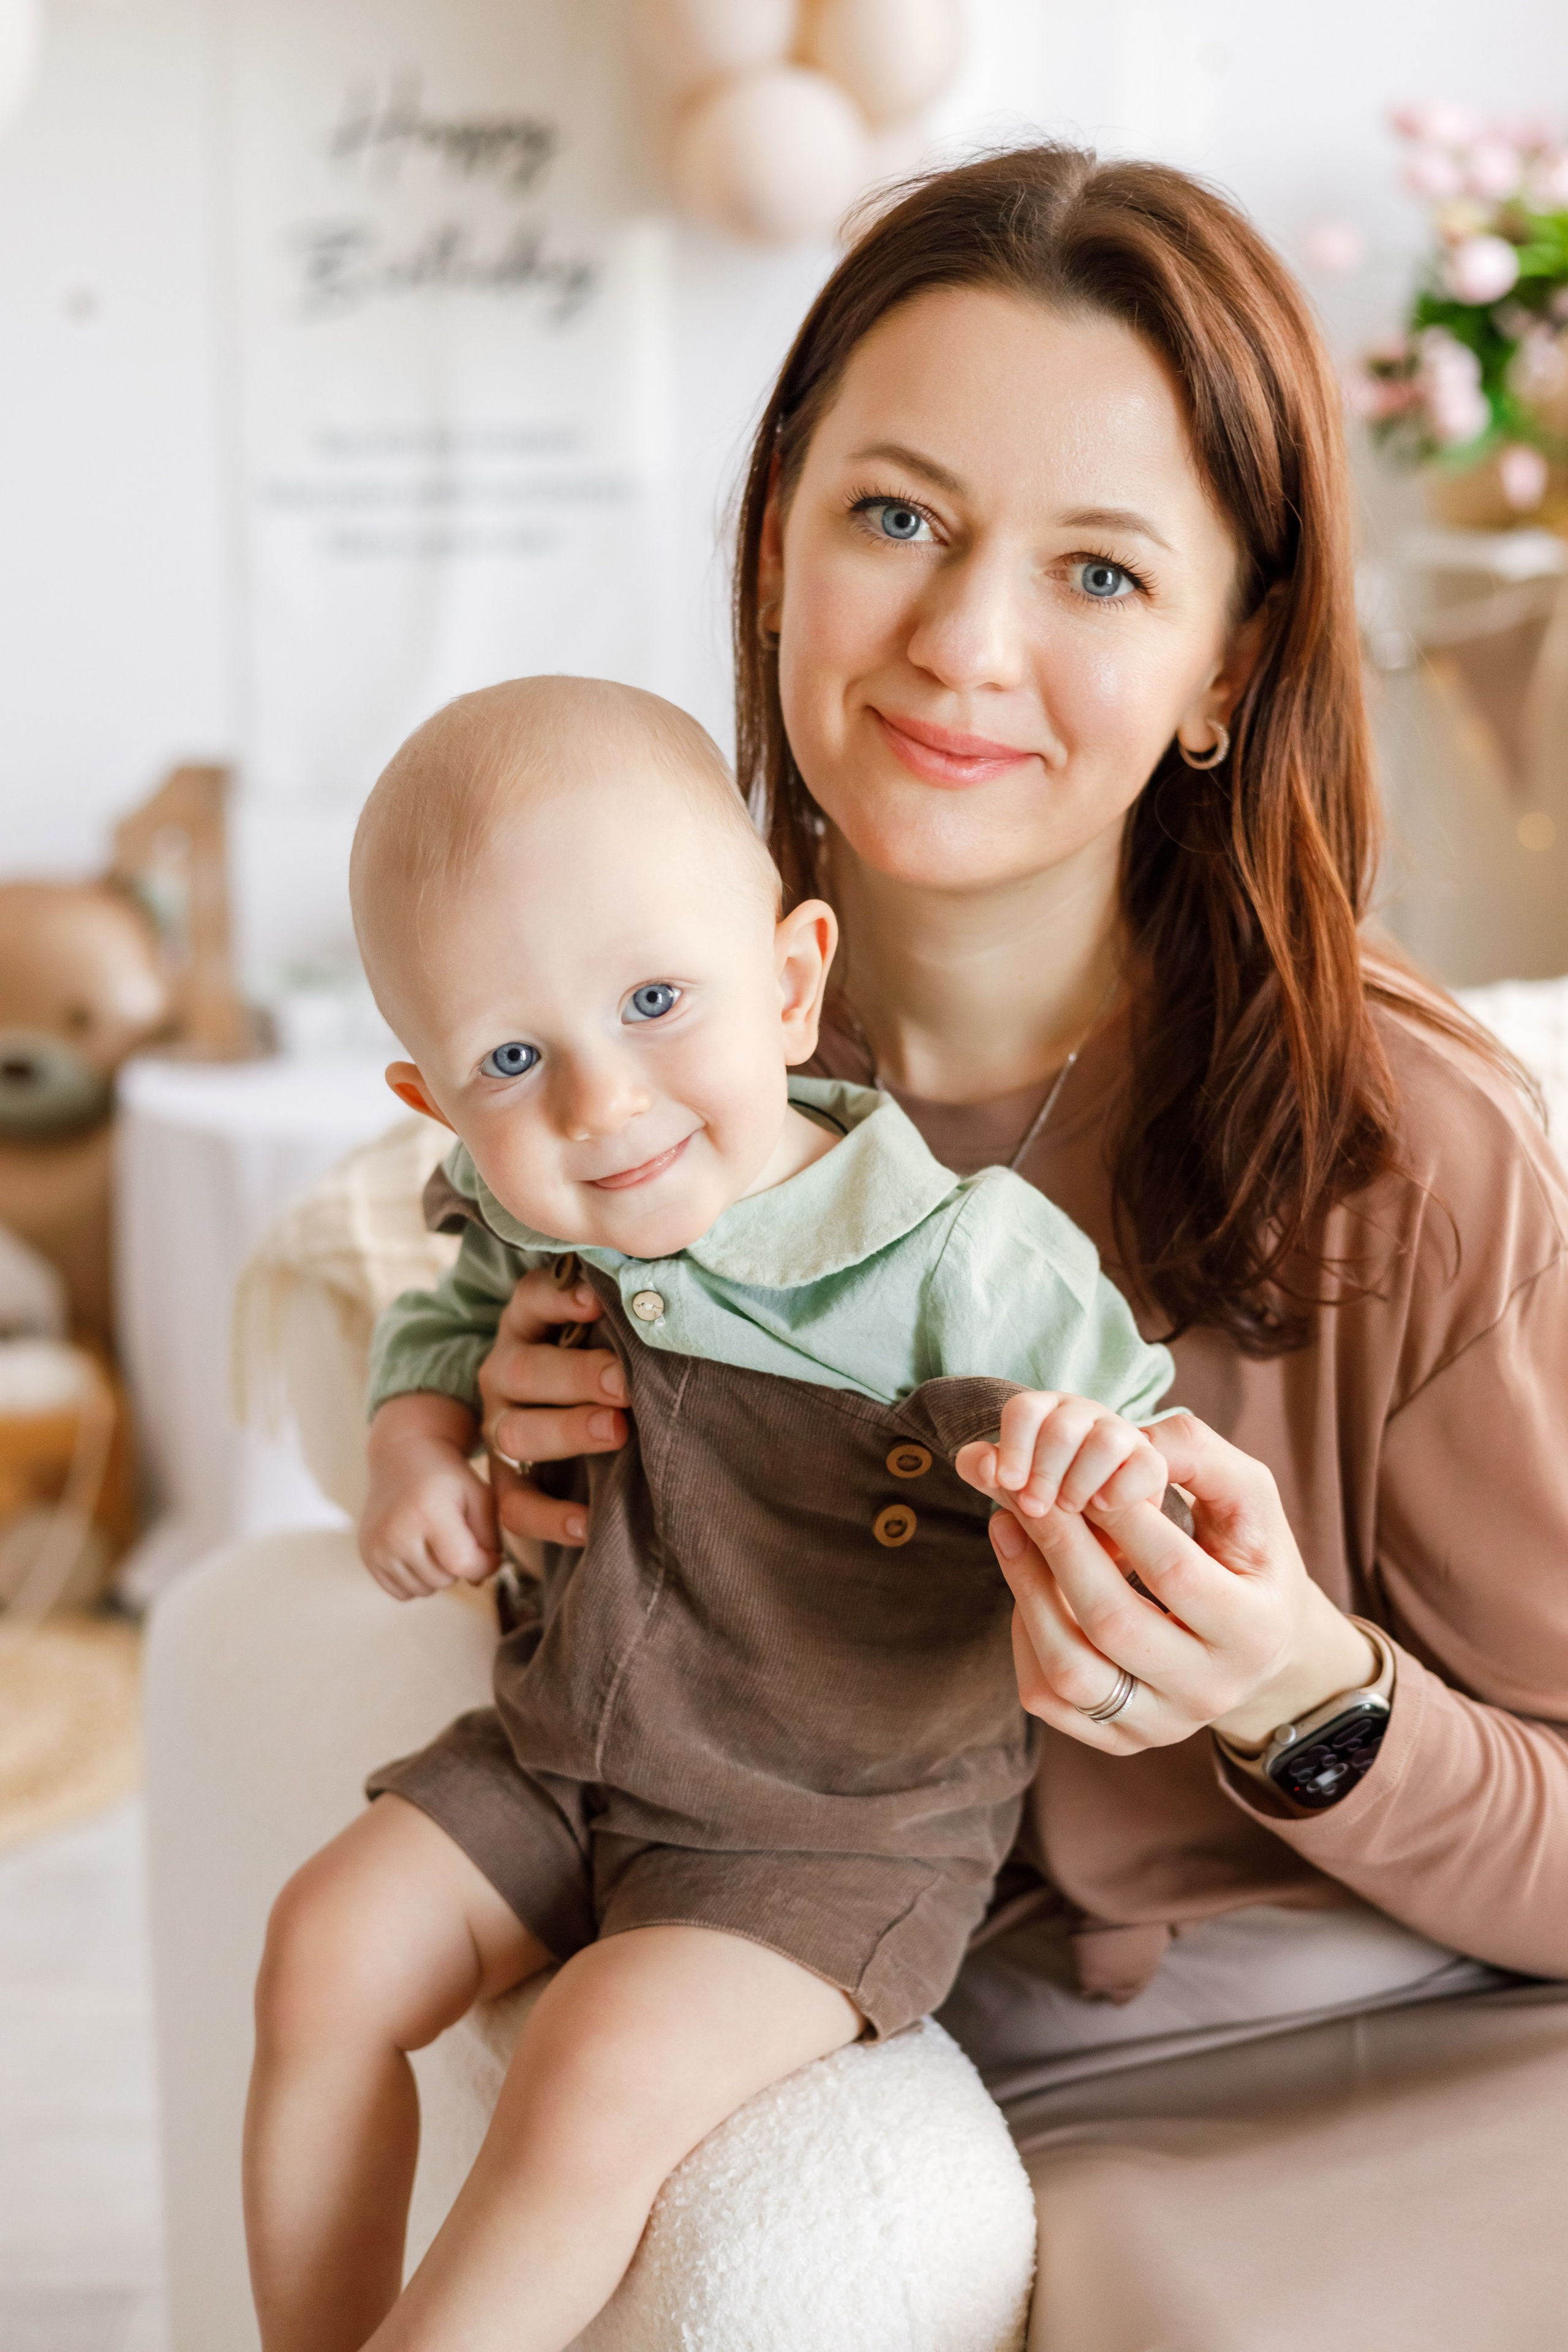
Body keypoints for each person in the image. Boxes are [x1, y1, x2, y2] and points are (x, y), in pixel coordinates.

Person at [471, 148, 1568, 2335]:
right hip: (1051, 2086)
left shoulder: (1409, 1147)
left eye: (1099, 570)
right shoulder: (612, 1107)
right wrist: (474, 1446)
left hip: (1468, 2021)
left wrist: (1300, 1689)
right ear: (774, 538)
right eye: (897, 518)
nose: (966, 644)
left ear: (1226, 665)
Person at [242, 673, 1183, 2352]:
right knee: (323, 1946)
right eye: (512, 1058)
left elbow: (1141, 1450)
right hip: (564, 1760)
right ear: (437, 1106)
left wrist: (1087, 1490)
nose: (601, 1102)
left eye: (658, 1001)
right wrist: (413, 1444)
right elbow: (444, 1316)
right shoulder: (548, 1206)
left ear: (793, 984)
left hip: (825, 1836)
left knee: (597, 2063)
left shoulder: (958, 1261)